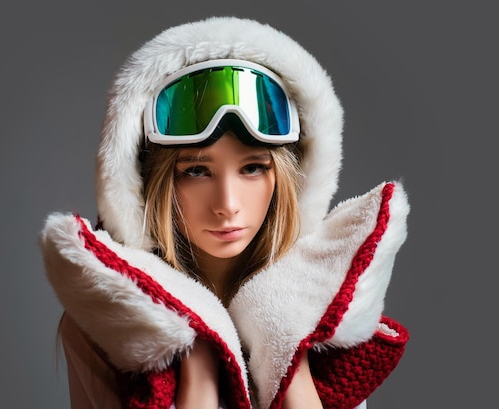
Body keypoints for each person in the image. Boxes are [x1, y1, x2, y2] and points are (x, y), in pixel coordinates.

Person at [40, 16, 410, 409]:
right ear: (154, 184)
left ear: (287, 180)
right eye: (197, 171)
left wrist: (286, 346)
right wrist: (196, 352)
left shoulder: (326, 308)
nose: (227, 204)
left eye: (253, 168)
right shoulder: (107, 320)